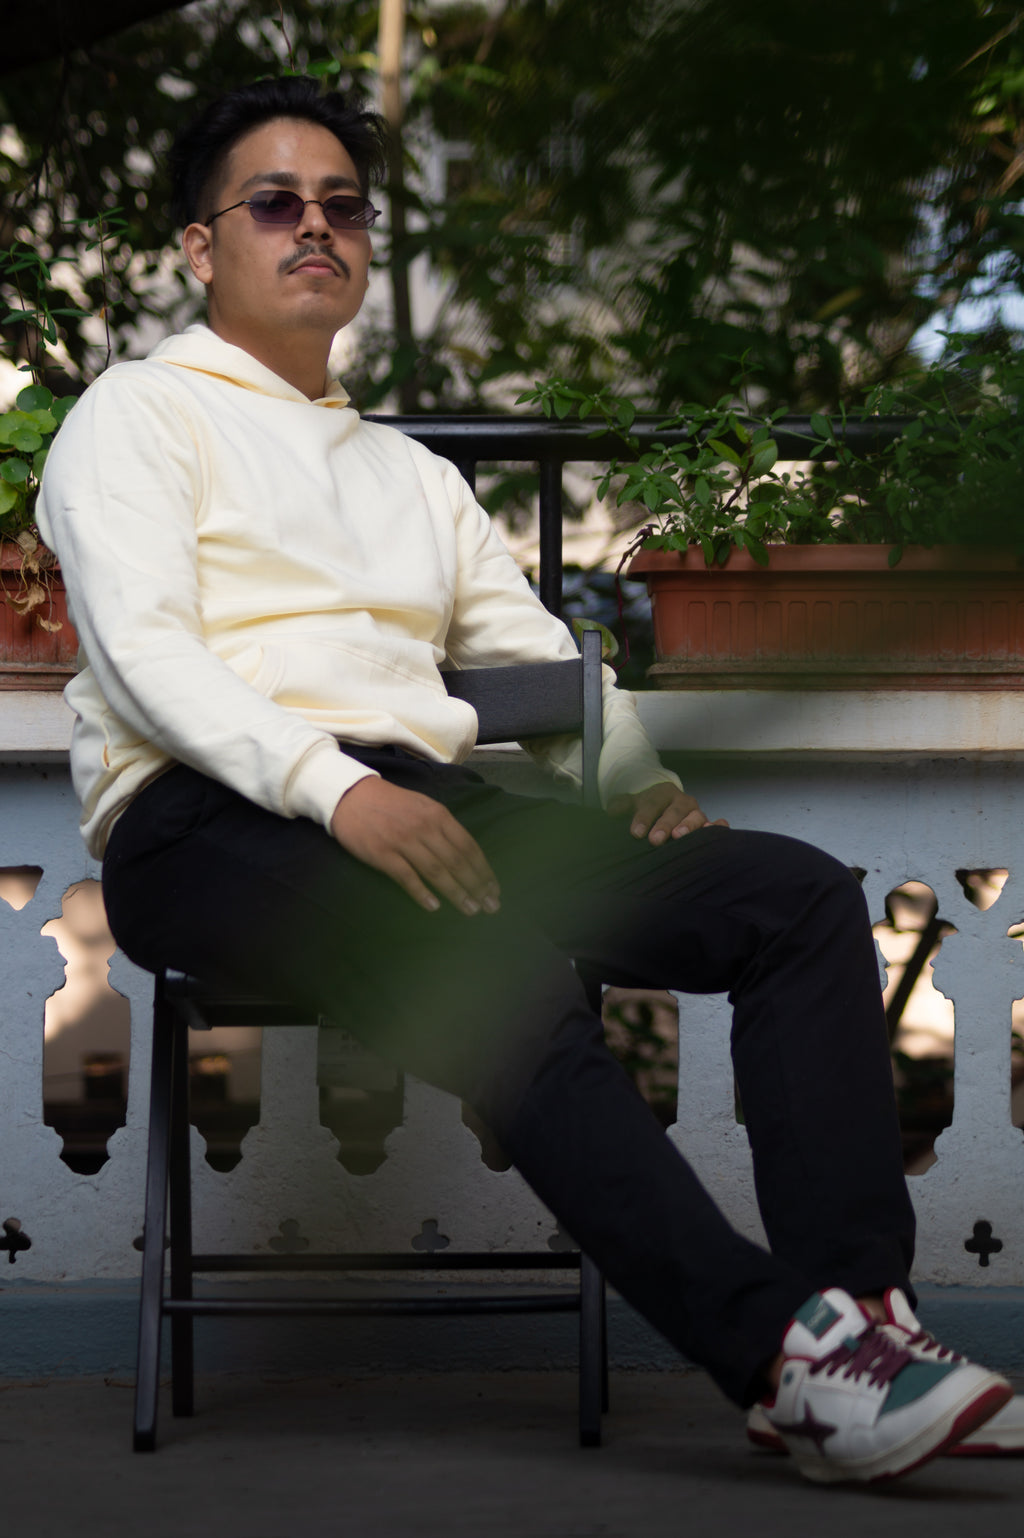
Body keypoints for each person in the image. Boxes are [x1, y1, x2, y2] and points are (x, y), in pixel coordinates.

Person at [36, 76, 1018, 1485]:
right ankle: (777, 1360)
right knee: (490, 958)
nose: (315, 227)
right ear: (202, 248)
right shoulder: (136, 416)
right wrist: (339, 791)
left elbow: (534, 667)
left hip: (422, 802)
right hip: (208, 818)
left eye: (343, 206)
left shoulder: (409, 476)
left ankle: (863, 1325)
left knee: (792, 898)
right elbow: (143, 661)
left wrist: (637, 780)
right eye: (273, 202)